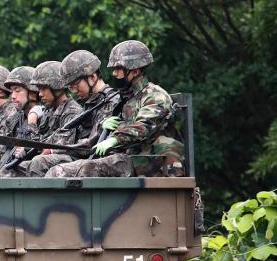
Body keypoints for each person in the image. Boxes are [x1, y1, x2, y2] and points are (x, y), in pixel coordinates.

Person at [46, 40, 184, 178]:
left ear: (135, 71)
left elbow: (142, 126)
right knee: (65, 170)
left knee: (87, 168)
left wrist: (115, 139)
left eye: (118, 69)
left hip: (155, 163)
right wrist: (105, 128)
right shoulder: (128, 98)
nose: (114, 74)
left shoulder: (155, 95)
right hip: (135, 159)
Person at [11, 60, 83, 177]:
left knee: (38, 162)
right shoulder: (48, 111)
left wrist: (36, 149)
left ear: (56, 87)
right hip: (49, 157)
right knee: (14, 167)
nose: (40, 94)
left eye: (43, 88)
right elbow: (38, 140)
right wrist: (32, 123)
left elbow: (61, 145)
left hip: (70, 158)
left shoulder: (72, 111)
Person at [61, 49, 119, 146]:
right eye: (71, 87)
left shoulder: (111, 101)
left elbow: (89, 145)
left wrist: (55, 150)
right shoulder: (89, 104)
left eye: (76, 84)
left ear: (92, 77)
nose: (74, 91)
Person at [5, 66, 41, 137]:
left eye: (17, 90)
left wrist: (32, 121)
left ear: (32, 92)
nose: (13, 96)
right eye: (12, 91)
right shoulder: (13, 119)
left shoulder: (46, 117)